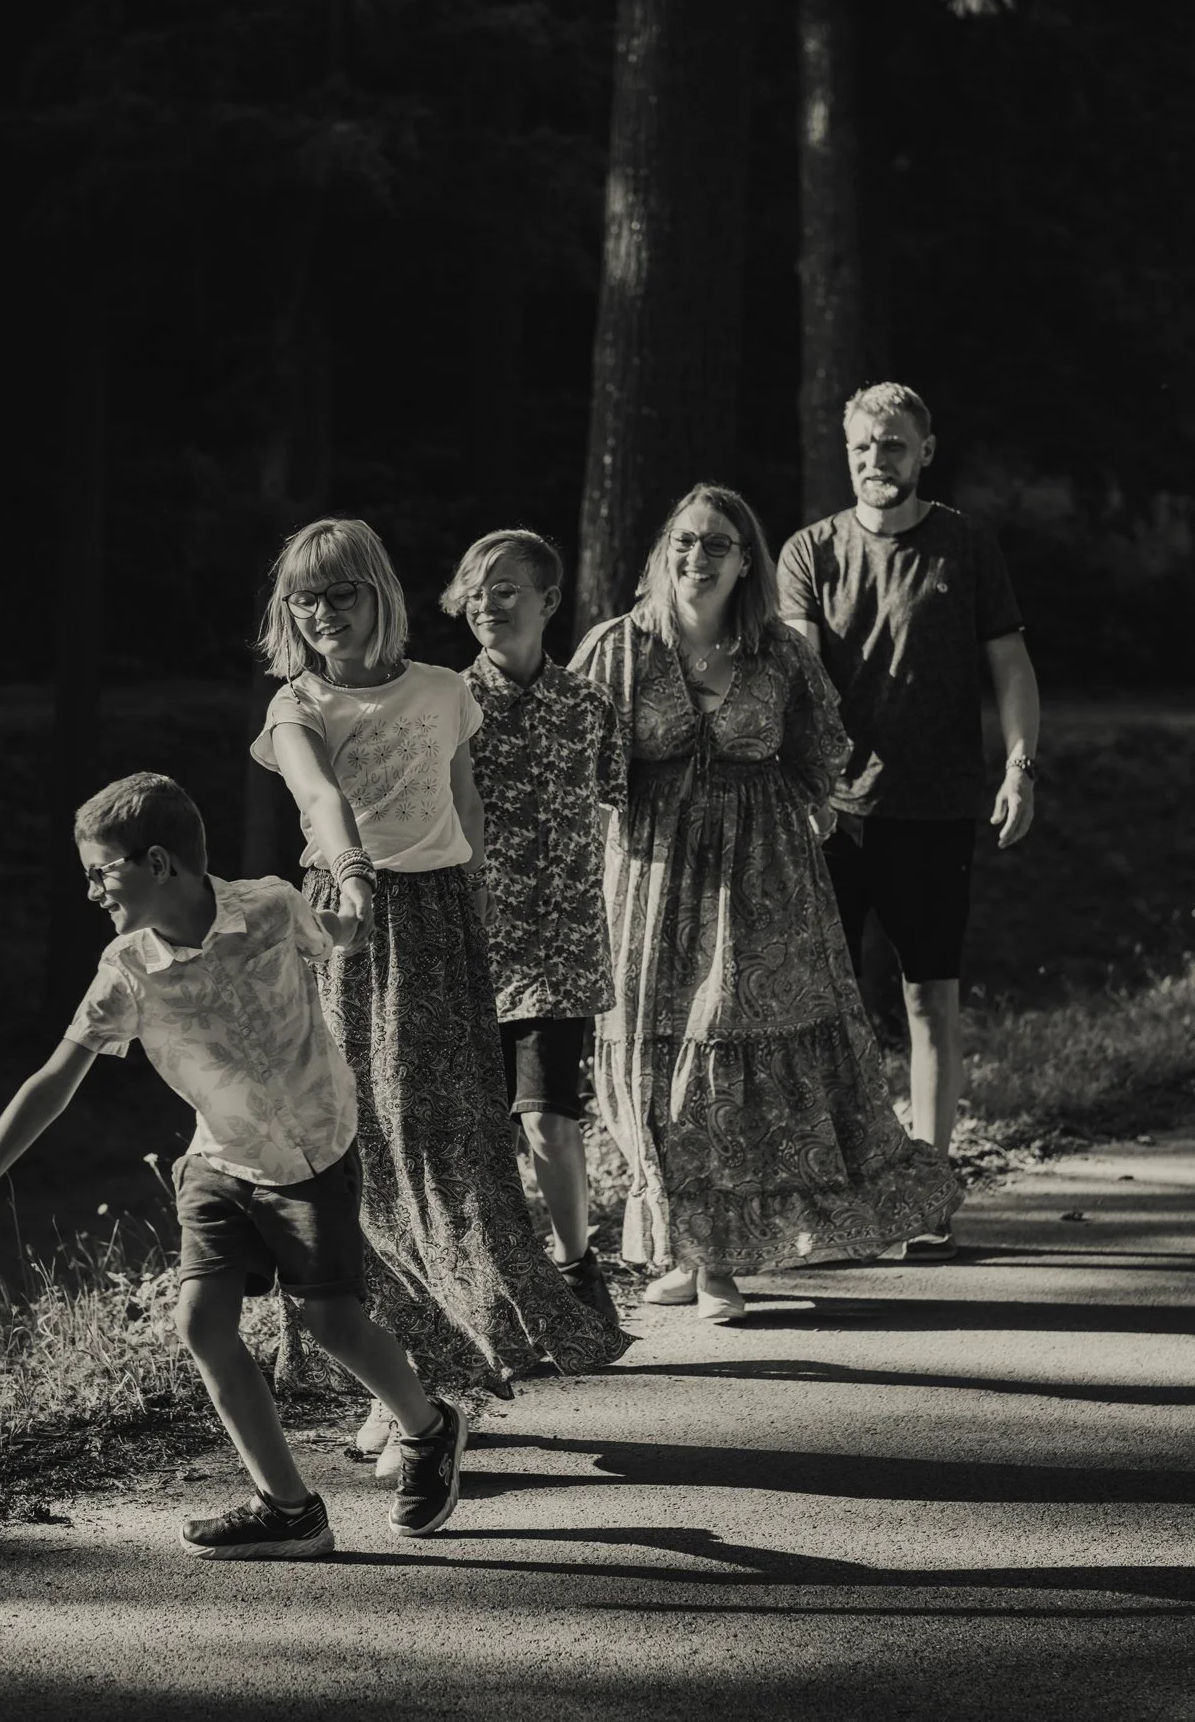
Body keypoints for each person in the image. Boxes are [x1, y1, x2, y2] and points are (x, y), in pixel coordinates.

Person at [0, 772, 467, 1556]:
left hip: (313, 1147)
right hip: (220, 1159)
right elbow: (52, 1085)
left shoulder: (271, 908)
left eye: (102, 871)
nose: (91, 890)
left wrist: (353, 888)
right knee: (202, 1322)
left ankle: (430, 1427)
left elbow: (342, 935)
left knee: (331, 1321)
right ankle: (289, 1509)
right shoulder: (126, 973)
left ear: (159, 863)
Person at [249, 518, 631, 1467]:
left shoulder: (443, 691)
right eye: (307, 599)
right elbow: (319, 798)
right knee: (361, 1151)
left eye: (342, 593)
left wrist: (477, 905)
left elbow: (464, 802)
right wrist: (350, 871)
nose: (325, 613)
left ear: (379, 592)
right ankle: (402, 1385)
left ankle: (448, 1367)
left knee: (448, 1149)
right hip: (350, 929)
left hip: (447, 933)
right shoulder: (295, 706)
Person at [570, 483, 960, 1320]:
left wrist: (804, 818)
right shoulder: (618, 649)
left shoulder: (780, 654)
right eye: (683, 541)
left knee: (731, 1056)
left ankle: (720, 1262)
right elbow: (579, 769)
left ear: (747, 560)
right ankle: (678, 1240)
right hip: (652, 881)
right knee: (650, 1066)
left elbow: (823, 757)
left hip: (762, 885)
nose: (695, 558)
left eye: (716, 544)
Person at [777, 381, 1040, 1258]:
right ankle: (839, 1193)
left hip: (934, 809)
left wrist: (1020, 765)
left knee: (930, 1000)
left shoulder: (965, 545)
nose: (875, 462)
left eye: (892, 446)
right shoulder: (809, 553)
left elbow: (1009, 662)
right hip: (832, 815)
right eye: (861, 447)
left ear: (924, 450)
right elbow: (800, 683)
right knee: (827, 1012)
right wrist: (805, 786)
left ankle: (929, 1191)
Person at [440, 527, 627, 1326]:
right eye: (476, 590)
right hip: (469, 950)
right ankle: (487, 1286)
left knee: (550, 1117)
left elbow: (615, 813)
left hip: (560, 953)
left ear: (549, 601)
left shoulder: (588, 706)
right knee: (475, 1131)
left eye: (506, 588)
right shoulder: (445, 703)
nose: (488, 603)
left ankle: (578, 1268)